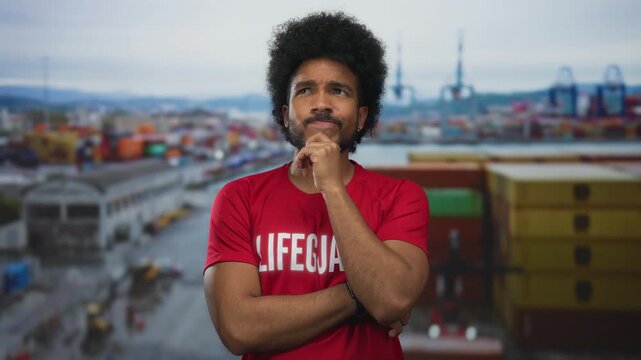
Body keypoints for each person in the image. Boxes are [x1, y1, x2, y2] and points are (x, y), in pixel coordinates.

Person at [203, 11, 430, 360]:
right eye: (306, 90)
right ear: (284, 113)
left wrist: (332, 188)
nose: (321, 102)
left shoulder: (401, 197)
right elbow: (239, 329)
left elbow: (389, 299)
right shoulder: (238, 199)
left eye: (338, 90)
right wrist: (358, 296)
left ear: (362, 116)